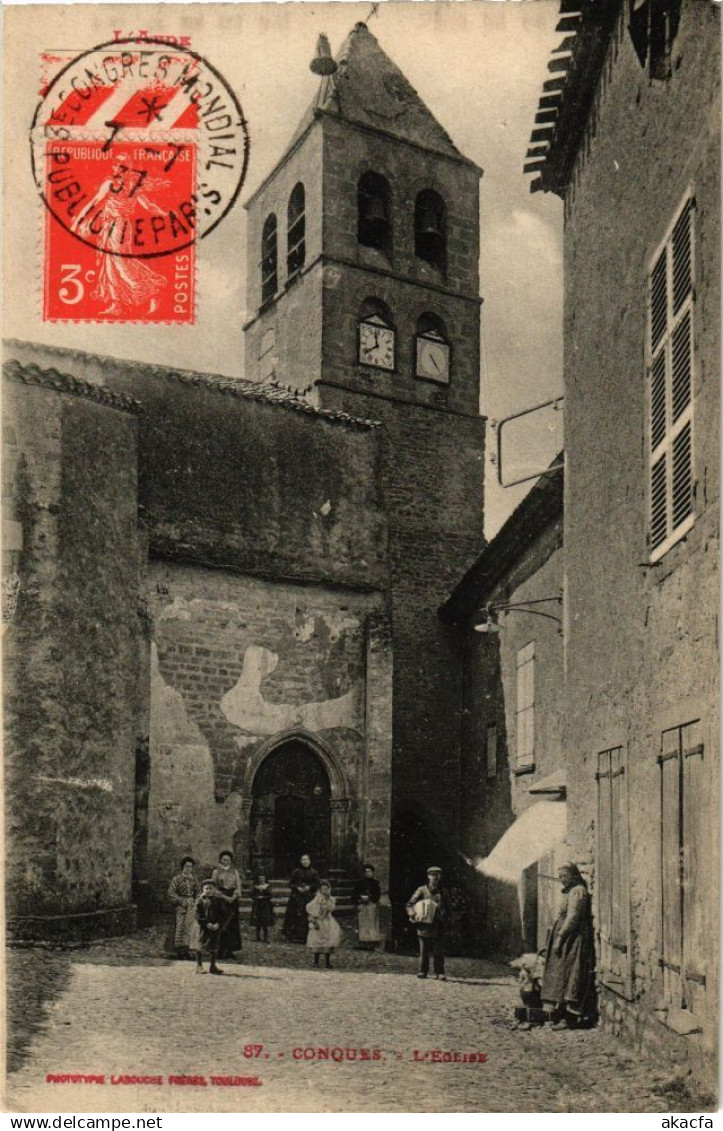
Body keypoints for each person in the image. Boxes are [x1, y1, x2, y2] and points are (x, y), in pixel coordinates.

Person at [540, 862, 596, 1029]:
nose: (561, 879)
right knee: (560, 973)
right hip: (566, 936)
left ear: (574, 875)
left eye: (564, 876)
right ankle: (558, 1012)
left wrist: (560, 937)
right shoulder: (569, 891)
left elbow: (573, 917)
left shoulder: (578, 892)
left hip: (573, 938)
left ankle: (570, 1017)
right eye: (560, 877)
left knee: (572, 972)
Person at [406, 866, 452, 980]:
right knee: (424, 950)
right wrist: (413, 914)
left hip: (439, 925)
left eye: (437, 875)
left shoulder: (444, 892)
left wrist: (446, 919)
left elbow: (449, 909)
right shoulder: (422, 890)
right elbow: (410, 904)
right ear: (428, 876)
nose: (435, 878)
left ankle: (439, 972)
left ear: (440, 877)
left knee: (439, 950)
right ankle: (422, 971)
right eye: (432, 875)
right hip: (424, 925)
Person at [166, 856, 199, 959]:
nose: (188, 869)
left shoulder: (194, 880)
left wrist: (196, 901)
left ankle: (188, 951)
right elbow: (171, 893)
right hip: (181, 906)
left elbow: (199, 892)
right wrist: (181, 901)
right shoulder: (176, 879)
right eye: (186, 866)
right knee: (179, 927)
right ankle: (179, 951)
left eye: (190, 867)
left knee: (190, 928)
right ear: (182, 868)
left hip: (192, 906)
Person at [211, 851, 243, 959]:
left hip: (232, 900)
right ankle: (220, 950)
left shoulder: (235, 872)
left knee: (232, 925)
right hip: (221, 899)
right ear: (220, 860)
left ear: (231, 861)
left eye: (228, 860)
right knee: (221, 924)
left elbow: (238, 886)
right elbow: (213, 887)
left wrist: (234, 897)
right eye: (224, 859)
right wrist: (224, 897)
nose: (226, 862)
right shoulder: (216, 872)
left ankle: (230, 950)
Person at [284, 854, 320, 943]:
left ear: (310, 861)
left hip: (309, 897)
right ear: (300, 861)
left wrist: (310, 887)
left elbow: (317, 884)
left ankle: (307, 936)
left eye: (306, 859)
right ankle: (294, 936)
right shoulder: (296, 872)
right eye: (303, 860)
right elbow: (291, 883)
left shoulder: (314, 872)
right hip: (297, 897)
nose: (305, 861)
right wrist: (297, 887)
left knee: (307, 914)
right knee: (295, 915)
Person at [306, 880, 342, 968]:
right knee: (317, 939)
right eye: (323, 889)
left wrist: (328, 901)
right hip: (319, 920)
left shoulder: (330, 899)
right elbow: (311, 907)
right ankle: (316, 961)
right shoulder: (317, 899)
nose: (324, 891)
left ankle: (327, 961)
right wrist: (314, 918)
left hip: (328, 921)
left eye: (326, 889)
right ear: (320, 890)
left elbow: (331, 908)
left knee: (328, 939)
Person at [193, 877, 225, 975]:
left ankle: (213, 966)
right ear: (203, 889)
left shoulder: (218, 900)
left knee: (214, 945)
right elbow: (197, 914)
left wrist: (218, 924)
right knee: (200, 945)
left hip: (214, 927)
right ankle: (199, 966)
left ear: (214, 889)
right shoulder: (200, 900)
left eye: (211, 888)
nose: (209, 890)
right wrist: (206, 923)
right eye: (207, 888)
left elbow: (223, 914)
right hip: (202, 927)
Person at [352, 863, 383, 950]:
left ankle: (371, 943)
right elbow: (354, 894)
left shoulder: (376, 883)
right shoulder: (359, 882)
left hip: (371, 905)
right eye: (366, 872)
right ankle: (362, 943)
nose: (368, 873)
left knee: (371, 924)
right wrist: (360, 897)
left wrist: (370, 898)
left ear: (372, 873)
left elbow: (377, 894)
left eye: (369, 871)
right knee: (362, 924)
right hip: (362, 905)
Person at [251, 873, 274, 943]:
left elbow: (270, 896)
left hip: (266, 905)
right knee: (258, 921)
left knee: (265, 921)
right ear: (258, 879)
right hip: (257, 905)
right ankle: (257, 937)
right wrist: (256, 897)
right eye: (260, 878)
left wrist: (263, 897)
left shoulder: (268, 886)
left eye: (263, 878)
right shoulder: (255, 887)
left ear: (265, 879)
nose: (261, 879)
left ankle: (266, 937)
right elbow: (251, 895)